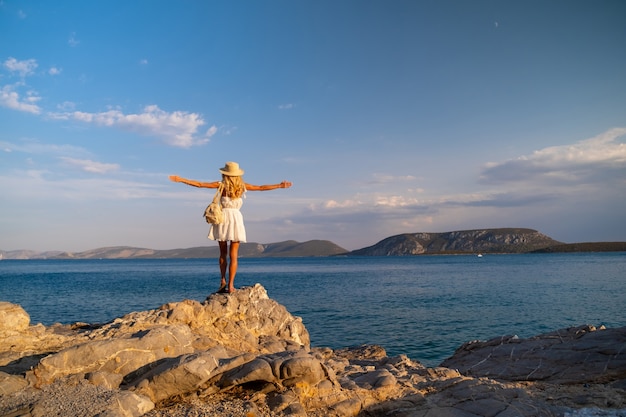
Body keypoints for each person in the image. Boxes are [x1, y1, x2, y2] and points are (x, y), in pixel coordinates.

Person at [169, 162, 292, 294]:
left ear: (225, 174)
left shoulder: (221, 185)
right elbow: (261, 188)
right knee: (234, 255)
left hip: (222, 219)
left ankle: (223, 280)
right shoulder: (242, 187)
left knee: (223, 253)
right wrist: (279, 186)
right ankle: (231, 285)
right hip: (235, 219)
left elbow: (200, 184)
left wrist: (181, 179)